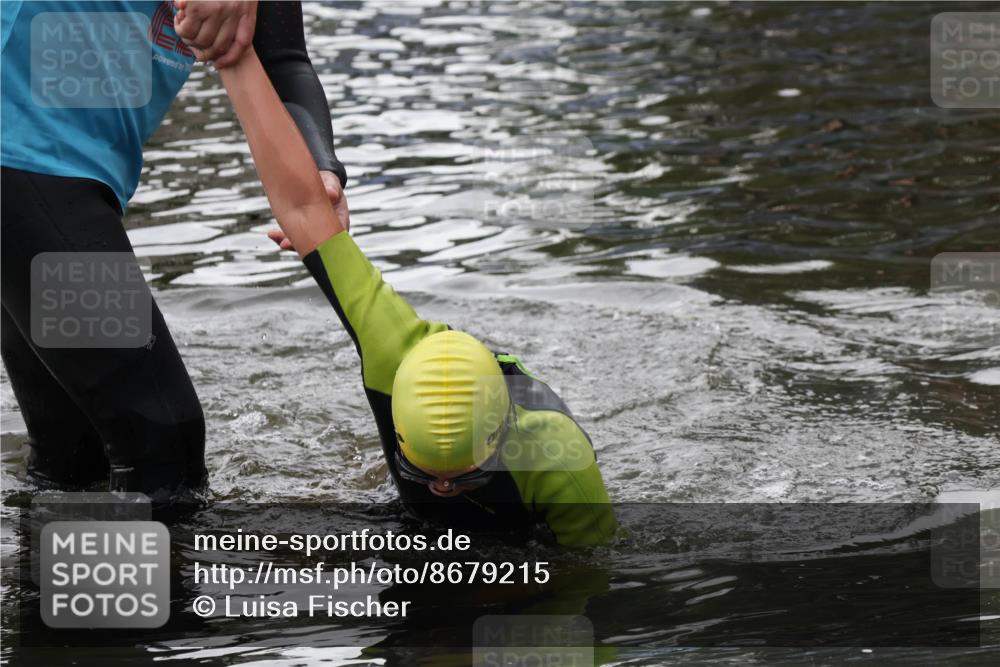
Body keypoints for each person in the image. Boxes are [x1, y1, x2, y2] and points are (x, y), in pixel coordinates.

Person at [205, 34, 618, 546]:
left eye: (466, 475)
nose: (443, 488)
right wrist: (230, 51)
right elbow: (304, 207)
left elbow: (587, 582)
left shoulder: (561, 461)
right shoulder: (389, 351)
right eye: (422, 471)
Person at [0, 1, 347, 507]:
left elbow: (284, 62)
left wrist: (321, 170)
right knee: (161, 440)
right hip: (21, 154)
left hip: (64, 175)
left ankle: (35, 584)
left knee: (78, 454)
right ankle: (167, 589)